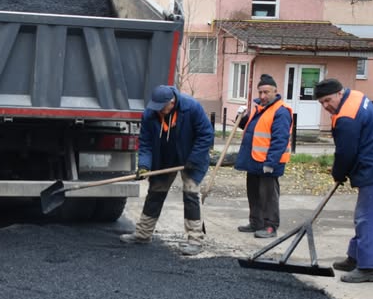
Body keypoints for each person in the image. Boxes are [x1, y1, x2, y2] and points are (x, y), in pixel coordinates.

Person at [314, 78, 373, 284]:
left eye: (328, 100)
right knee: (362, 216)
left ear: (339, 93)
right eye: (322, 103)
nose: (326, 106)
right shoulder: (355, 96)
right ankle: (355, 257)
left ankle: (368, 268)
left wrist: (338, 173)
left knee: (367, 218)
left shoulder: (346, 118)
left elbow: (346, 152)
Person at [119, 84, 214, 256]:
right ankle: (143, 234)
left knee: (191, 193)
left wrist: (194, 159)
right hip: (164, 158)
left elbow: (206, 134)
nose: (159, 111)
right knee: (155, 192)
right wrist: (144, 166)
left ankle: (195, 240)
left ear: (172, 102)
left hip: (191, 157)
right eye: (156, 108)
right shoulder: (149, 114)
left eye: (162, 108)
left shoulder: (191, 108)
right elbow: (146, 143)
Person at [233, 74, 292, 239]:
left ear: (275, 91)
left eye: (266, 92)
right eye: (260, 92)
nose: (263, 96)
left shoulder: (280, 112)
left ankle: (270, 227)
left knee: (268, 196)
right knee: (254, 193)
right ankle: (256, 223)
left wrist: (271, 162)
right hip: (254, 160)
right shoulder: (259, 109)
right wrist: (242, 117)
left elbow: (280, 140)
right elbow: (252, 127)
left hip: (269, 162)